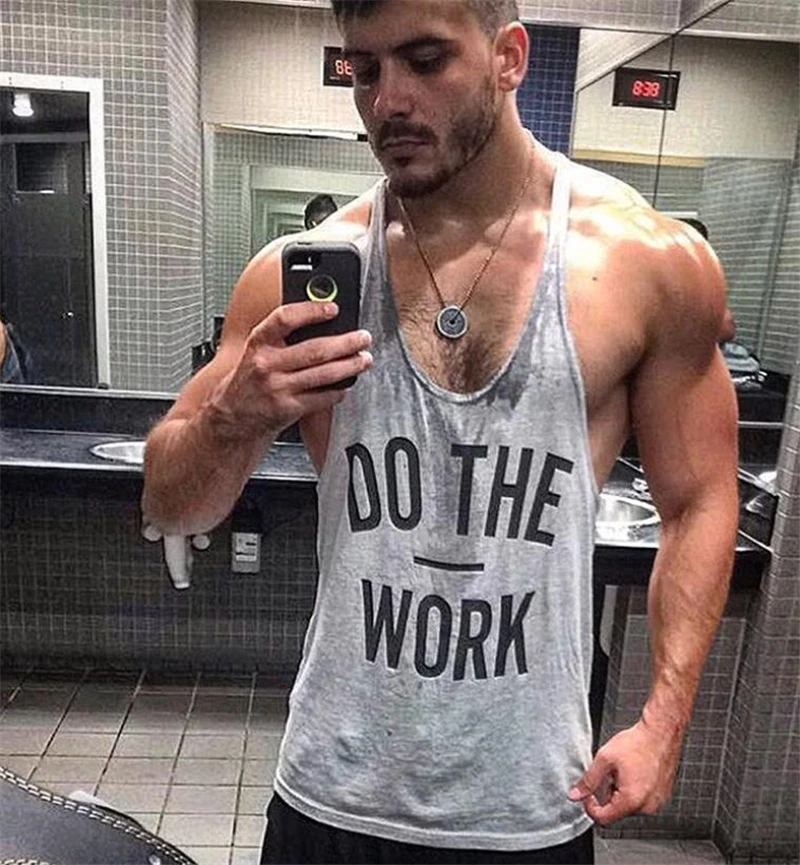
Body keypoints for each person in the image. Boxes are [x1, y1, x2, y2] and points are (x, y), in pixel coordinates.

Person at [142, 1, 739, 862]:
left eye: (425, 61)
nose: (388, 100)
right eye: (365, 70)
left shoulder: (645, 264)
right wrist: (235, 415)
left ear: (509, 57)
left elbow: (700, 500)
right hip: (333, 797)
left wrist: (665, 719)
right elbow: (172, 503)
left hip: (528, 803)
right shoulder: (299, 269)